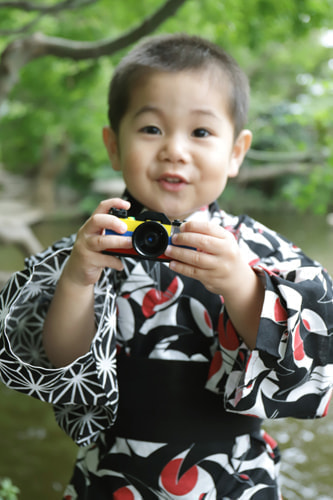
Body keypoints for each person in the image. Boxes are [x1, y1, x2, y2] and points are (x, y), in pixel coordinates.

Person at [0, 33, 333, 500]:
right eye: (151, 129)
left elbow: (314, 355)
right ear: (113, 146)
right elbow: (65, 363)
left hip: (231, 476)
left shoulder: (260, 249)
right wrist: (77, 279)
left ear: (236, 152)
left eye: (200, 132)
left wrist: (241, 285)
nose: (175, 150)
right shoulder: (91, 246)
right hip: (113, 474)